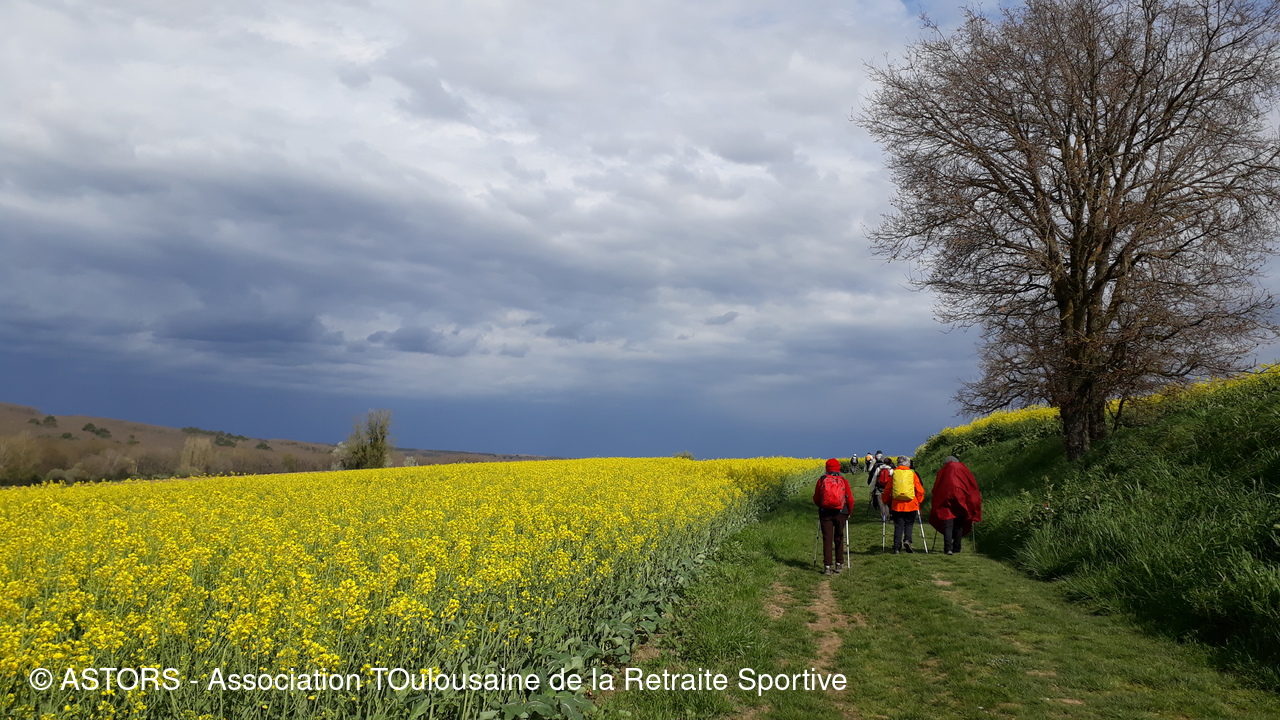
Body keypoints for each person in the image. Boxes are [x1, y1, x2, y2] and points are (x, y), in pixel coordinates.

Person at [928, 455, 983, 555]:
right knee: (959, 525)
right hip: (962, 499)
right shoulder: (964, 469)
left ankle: (948, 548)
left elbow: (937, 487)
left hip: (945, 500)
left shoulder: (943, 470)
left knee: (948, 525)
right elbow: (972, 485)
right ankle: (957, 548)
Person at [813, 458, 854, 574]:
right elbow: (850, 499)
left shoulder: (822, 480)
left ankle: (827, 566)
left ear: (827, 468)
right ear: (838, 468)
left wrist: (821, 505)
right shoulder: (843, 480)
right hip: (841, 512)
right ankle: (839, 564)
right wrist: (849, 512)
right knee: (839, 537)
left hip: (825, 513)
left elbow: (816, 497)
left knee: (827, 538)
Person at [878, 455, 924, 553]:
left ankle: (896, 547)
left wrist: (885, 500)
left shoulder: (895, 473)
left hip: (897, 504)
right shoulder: (912, 474)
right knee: (909, 523)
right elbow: (919, 490)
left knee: (898, 525)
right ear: (908, 464)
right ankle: (907, 540)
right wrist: (919, 501)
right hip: (911, 504)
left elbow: (888, 489)